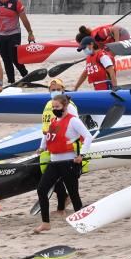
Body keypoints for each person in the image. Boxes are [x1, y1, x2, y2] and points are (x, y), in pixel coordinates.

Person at [35, 93, 92, 233]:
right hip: (54, 162)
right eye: (53, 107)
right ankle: (45, 223)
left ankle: (82, 223)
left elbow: (88, 136)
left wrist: (81, 155)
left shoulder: (73, 121)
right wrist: (42, 148)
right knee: (42, 189)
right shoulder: (54, 121)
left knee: (73, 193)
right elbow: (47, 136)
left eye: (57, 106)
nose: (55, 109)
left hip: (68, 162)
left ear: (65, 106)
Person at [42, 79, 80, 217]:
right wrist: (43, 145)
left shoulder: (69, 106)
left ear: (63, 89)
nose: (55, 91)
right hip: (51, 146)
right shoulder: (49, 104)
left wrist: (78, 152)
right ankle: (62, 204)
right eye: (52, 89)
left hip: (67, 149)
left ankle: (64, 207)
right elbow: (48, 127)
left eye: (58, 89)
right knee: (52, 178)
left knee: (66, 182)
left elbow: (75, 126)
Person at [0, 0, 35, 83]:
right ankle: (11, 81)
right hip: (0, 35)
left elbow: (24, 19)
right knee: (6, 60)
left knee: (14, 58)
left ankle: (25, 76)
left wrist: (30, 33)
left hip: (14, 34)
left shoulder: (15, 2)